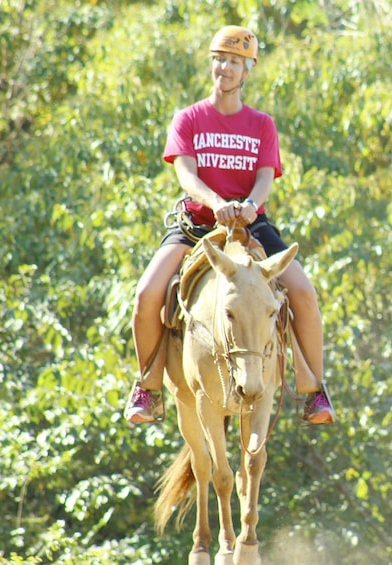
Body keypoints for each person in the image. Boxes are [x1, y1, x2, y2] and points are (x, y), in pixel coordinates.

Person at [124, 25, 336, 426]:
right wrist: (218, 204)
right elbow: (186, 174)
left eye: (235, 61)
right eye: (220, 59)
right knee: (146, 293)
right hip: (198, 225)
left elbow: (265, 176)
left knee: (304, 294)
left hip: (250, 228)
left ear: (247, 70)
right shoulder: (188, 118)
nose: (225, 67)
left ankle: (313, 389)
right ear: (211, 63)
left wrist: (252, 206)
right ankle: (148, 388)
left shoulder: (261, 124)